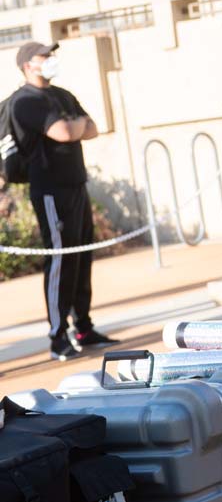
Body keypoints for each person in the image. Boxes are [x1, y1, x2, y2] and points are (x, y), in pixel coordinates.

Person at [11, 41, 119, 361]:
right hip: (49, 190)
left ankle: (83, 327)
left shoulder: (62, 95)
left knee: (82, 256)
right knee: (60, 259)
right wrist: (74, 127)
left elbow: (91, 129)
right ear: (28, 64)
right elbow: (63, 132)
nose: (50, 59)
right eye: (44, 56)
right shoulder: (26, 101)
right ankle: (58, 336)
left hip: (76, 184)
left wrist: (76, 126)